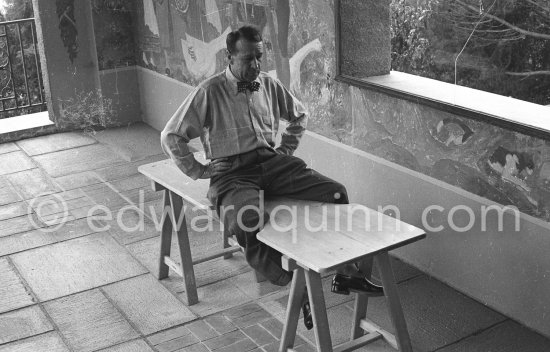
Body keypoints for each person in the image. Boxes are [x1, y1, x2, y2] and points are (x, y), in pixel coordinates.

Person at [161, 25, 383, 328]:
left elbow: (299, 115)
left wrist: (285, 150)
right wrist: (200, 170)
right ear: (229, 57)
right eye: (248, 59)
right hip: (231, 173)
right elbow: (171, 135)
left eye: (259, 58)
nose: (256, 65)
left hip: (270, 162)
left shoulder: (267, 84)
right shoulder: (209, 91)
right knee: (246, 220)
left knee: (334, 192)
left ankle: (345, 275)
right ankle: (295, 285)